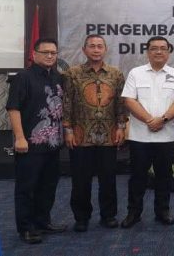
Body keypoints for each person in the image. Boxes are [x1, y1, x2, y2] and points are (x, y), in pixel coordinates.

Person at [62, 35, 129, 232]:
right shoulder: (73, 73)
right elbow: (67, 103)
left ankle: (108, 215)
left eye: (100, 46)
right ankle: (81, 217)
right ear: (84, 50)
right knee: (80, 180)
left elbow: (121, 104)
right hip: (81, 135)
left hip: (109, 135)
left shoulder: (116, 74)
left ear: (105, 50)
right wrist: (68, 130)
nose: (96, 49)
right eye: (92, 46)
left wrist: (121, 127)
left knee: (108, 179)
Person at [119, 36, 174, 228]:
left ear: (168, 52)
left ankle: (162, 211)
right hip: (140, 136)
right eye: (154, 48)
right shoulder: (136, 73)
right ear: (147, 52)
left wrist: (162, 120)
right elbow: (129, 100)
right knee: (137, 176)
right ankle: (134, 213)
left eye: (163, 48)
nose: (158, 51)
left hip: (166, 136)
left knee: (164, 176)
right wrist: (150, 120)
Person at [6, 38, 66, 244]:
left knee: (48, 186)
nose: (50, 56)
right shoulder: (23, 77)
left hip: (53, 143)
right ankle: (26, 228)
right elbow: (13, 108)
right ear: (34, 54)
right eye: (45, 52)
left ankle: (43, 221)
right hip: (30, 144)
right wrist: (20, 138)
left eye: (53, 53)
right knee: (27, 187)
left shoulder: (58, 77)